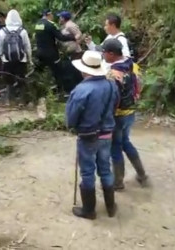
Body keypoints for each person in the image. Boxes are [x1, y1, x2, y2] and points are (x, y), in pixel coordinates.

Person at [66, 50, 119, 220]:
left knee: (88, 172)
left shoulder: (81, 90)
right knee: (105, 169)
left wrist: (71, 126)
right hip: (107, 133)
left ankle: (89, 210)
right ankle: (111, 207)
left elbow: (71, 116)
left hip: (88, 135)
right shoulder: (111, 84)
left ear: (84, 70)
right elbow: (116, 104)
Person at [101, 39, 148, 190]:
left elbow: (110, 97)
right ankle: (141, 173)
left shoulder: (113, 74)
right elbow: (140, 84)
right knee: (126, 142)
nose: (102, 55)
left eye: (104, 52)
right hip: (131, 112)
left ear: (111, 54)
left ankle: (118, 182)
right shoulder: (133, 65)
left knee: (115, 147)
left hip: (117, 115)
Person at [34, 9, 75, 93]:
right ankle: (60, 93)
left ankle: (40, 91)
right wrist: (73, 37)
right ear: (49, 15)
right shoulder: (51, 24)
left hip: (39, 53)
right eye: (52, 15)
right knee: (58, 73)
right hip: (51, 54)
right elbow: (61, 37)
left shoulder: (37, 24)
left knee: (41, 73)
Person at [0, 9, 32, 103]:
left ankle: (9, 100)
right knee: (21, 79)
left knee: (8, 80)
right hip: (21, 60)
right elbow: (27, 46)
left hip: (7, 60)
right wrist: (29, 58)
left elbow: (0, 46)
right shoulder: (22, 31)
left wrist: (2, 57)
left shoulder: (2, 31)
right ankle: (22, 100)